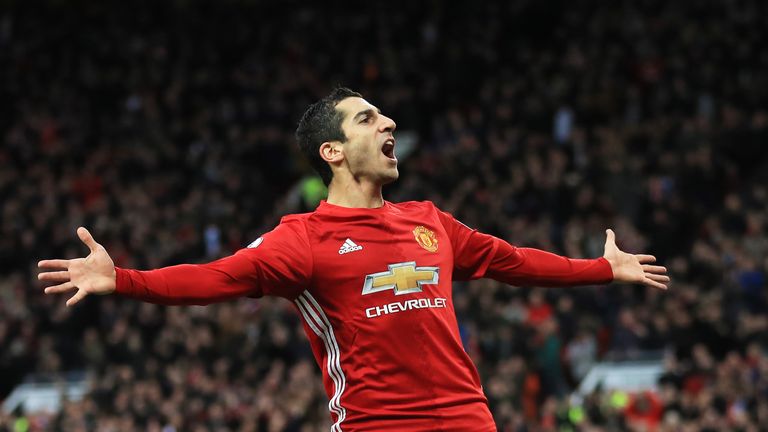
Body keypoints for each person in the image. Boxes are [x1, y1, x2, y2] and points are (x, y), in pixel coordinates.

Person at [38, 87, 669, 431]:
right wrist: (122, 280)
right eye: (368, 118)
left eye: (383, 114)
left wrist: (600, 268)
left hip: (469, 418)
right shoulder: (303, 237)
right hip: (378, 426)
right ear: (333, 151)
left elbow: (511, 261)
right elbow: (217, 276)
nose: (388, 120)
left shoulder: (429, 221)